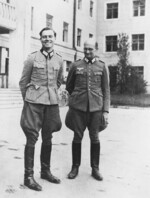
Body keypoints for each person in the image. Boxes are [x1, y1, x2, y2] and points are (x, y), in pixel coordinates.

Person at [19, 27, 63, 191]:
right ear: (40, 40)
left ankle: (45, 171)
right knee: (31, 137)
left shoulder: (59, 59)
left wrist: (51, 94)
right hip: (34, 104)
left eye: (50, 36)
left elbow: (59, 81)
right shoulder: (32, 58)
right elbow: (23, 82)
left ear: (54, 38)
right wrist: (29, 99)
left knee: (48, 137)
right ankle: (28, 176)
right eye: (44, 37)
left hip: (51, 104)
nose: (47, 39)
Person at [65, 38, 110, 181]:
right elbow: (69, 86)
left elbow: (106, 90)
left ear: (96, 49)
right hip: (78, 108)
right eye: (85, 49)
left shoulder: (102, 66)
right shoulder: (75, 65)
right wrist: (74, 101)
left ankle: (95, 168)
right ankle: (75, 167)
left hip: (96, 107)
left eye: (90, 49)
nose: (88, 51)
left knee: (95, 137)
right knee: (77, 136)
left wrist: (106, 111)